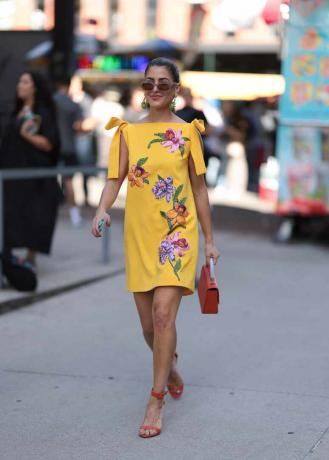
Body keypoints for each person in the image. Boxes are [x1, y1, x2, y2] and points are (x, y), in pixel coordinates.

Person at [91, 57, 220, 438]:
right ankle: (172, 368)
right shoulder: (127, 132)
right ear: (142, 90)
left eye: (164, 83)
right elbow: (115, 180)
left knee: (165, 317)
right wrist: (100, 210)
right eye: (149, 84)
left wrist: (209, 239)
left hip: (178, 235)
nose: (156, 90)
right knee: (149, 327)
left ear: (176, 90)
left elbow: (198, 189)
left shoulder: (189, 133)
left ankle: (156, 398)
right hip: (140, 235)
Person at [0, 71, 61, 268]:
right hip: (12, 173)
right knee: (8, 213)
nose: (19, 85)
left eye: (24, 82)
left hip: (34, 175)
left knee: (33, 214)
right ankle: (7, 256)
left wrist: (27, 135)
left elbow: (49, 144)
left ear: (34, 87)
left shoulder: (42, 112)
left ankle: (29, 257)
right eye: (19, 81)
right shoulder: (17, 111)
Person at [54, 78, 83, 226]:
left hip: (52, 147)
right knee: (69, 182)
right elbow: (78, 126)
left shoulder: (50, 101)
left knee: (48, 179)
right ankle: (74, 215)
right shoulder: (73, 105)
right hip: (68, 147)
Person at [70, 76, 97, 206]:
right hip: (72, 138)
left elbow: (90, 121)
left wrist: (79, 125)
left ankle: (86, 197)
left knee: (84, 168)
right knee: (69, 170)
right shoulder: (68, 99)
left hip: (83, 138)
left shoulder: (86, 100)